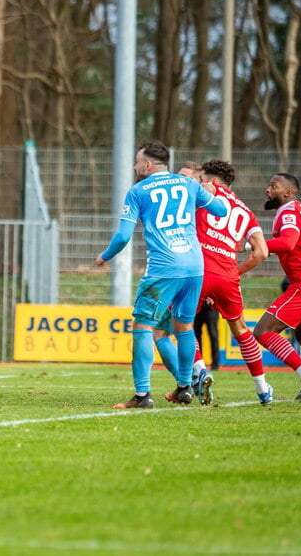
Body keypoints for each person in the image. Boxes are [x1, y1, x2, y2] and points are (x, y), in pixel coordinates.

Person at [95, 140, 227, 409]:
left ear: (147, 164)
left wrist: (104, 256)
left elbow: (122, 237)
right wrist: (209, 190)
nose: (134, 166)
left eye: (136, 161)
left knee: (143, 328)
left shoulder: (138, 191)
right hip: (194, 267)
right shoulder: (190, 185)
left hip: (163, 269)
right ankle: (184, 387)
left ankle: (142, 395)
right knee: (184, 328)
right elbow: (221, 211)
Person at [193, 159, 272, 403]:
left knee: (181, 324)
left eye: (202, 179)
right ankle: (262, 388)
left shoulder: (207, 191)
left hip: (199, 269)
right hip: (227, 274)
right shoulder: (246, 212)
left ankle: (199, 372)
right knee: (240, 330)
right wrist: (234, 272)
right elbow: (262, 252)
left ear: (214, 182)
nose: (200, 183)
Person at [251, 173, 301, 400]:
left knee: (263, 331)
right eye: (269, 185)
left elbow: (288, 242)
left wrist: (252, 245)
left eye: (274, 186)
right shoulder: (292, 209)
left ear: (288, 192)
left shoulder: (290, 211)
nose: (268, 189)